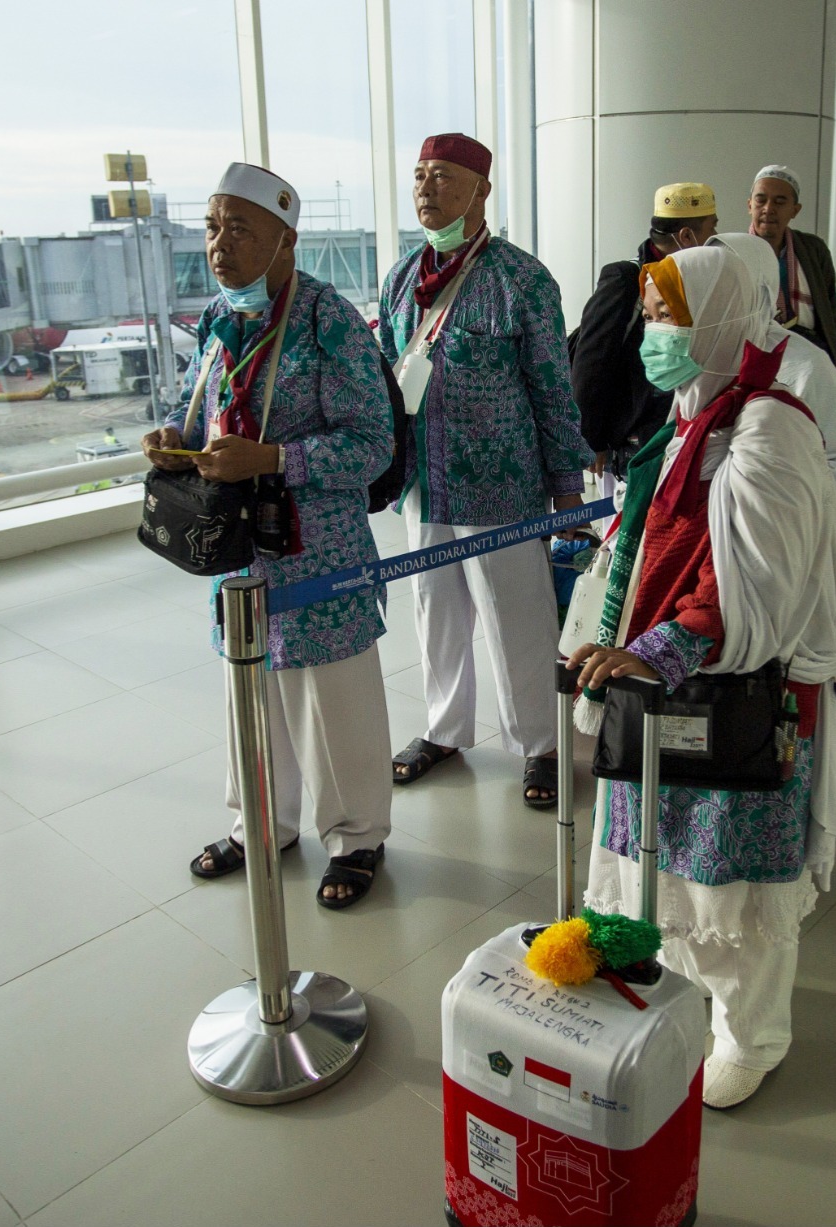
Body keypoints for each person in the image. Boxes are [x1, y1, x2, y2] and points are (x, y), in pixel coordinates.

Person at [571, 244, 836, 1110]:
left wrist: (661, 649)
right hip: (652, 683)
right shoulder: (691, 409)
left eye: (668, 316)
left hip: (727, 685)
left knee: (732, 881)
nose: (653, 334)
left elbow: (757, 582)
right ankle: (664, 986)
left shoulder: (772, 424)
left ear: (723, 317)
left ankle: (752, 1033)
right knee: (644, 851)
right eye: (650, 317)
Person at [144, 165, 395, 908]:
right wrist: (178, 437)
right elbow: (209, 411)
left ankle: (356, 837)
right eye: (212, 229)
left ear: (286, 239)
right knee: (247, 690)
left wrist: (278, 459)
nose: (218, 246)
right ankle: (261, 822)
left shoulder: (329, 321)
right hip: (239, 551)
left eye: (238, 229)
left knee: (333, 698)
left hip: (319, 550)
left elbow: (372, 444)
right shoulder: (221, 320)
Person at [379, 133, 592, 808]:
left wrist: (566, 485)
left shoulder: (521, 279)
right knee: (434, 610)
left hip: (500, 485)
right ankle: (445, 730)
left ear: (480, 191)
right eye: (418, 176)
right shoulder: (401, 278)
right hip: (424, 482)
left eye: (442, 176)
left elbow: (553, 388)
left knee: (515, 616)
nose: (425, 187)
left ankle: (540, 744)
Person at [710, 231, 836, 512]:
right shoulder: (706, 358)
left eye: (730, 283)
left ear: (759, 286)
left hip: (785, 538)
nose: (716, 294)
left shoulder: (804, 364)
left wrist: (770, 497)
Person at [569, 183, 717, 480]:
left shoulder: (697, 280)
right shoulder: (626, 278)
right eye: (711, 231)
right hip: (630, 441)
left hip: (675, 431)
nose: (715, 241)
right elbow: (593, 359)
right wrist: (591, 440)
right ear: (687, 236)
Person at [745, 165, 836, 359]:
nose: (768, 209)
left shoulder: (813, 249)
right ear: (749, 206)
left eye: (779, 202)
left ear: (795, 210)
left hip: (809, 353)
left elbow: (828, 311)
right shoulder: (735, 251)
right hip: (756, 355)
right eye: (760, 200)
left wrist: (835, 364)